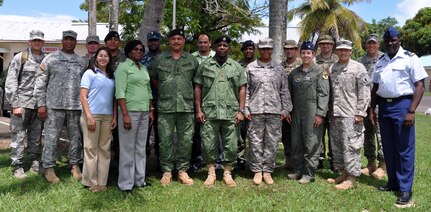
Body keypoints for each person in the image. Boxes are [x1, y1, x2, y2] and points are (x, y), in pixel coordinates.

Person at [370, 27, 427, 207]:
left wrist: (411, 111)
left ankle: (405, 189)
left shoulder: (410, 58)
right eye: (387, 41)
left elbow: (420, 86)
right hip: (384, 107)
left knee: (404, 148)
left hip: (403, 106)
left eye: (393, 40)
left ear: (399, 40)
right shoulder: (381, 61)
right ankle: (393, 182)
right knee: (389, 148)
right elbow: (375, 87)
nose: (390, 43)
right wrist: (372, 109)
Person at [194, 36, 247, 187]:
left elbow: (242, 88)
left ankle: (227, 172)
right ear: (215, 47)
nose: (222, 47)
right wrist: (198, 110)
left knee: (231, 143)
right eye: (220, 45)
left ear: (228, 47)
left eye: (225, 45)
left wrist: (241, 110)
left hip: (231, 112)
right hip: (209, 111)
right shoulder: (205, 65)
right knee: (208, 142)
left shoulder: (236, 66)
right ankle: (211, 172)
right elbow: (198, 87)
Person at [34, 30, 86, 183]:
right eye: (67, 39)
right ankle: (49, 168)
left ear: (76, 42)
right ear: (62, 41)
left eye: (72, 40)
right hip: (54, 106)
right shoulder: (50, 59)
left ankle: (74, 165)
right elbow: (41, 83)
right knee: (51, 138)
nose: (69, 42)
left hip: (75, 106)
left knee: (75, 138)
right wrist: (41, 104)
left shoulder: (80, 61)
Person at [150, 29, 198, 186]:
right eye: (173, 39)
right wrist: (165, 91)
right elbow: (154, 80)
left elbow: (196, 83)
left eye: (179, 38)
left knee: (186, 140)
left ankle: (183, 170)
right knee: (165, 140)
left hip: (186, 106)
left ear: (184, 41)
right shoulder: (160, 59)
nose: (176, 41)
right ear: (168, 41)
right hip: (166, 107)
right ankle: (167, 171)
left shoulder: (192, 60)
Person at [245, 38, 292, 185]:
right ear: (259, 50)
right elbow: (245, 90)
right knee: (255, 141)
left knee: (272, 142)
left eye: (269, 49)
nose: (266, 51)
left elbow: (284, 90)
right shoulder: (250, 68)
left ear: (272, 50)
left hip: (274, 111)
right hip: (255, 110)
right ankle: (257, 171)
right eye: (263, 48)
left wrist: (286, 109)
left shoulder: (279, 68)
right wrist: (245, 108)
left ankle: (268, 171)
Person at [326, 39, 370, 190]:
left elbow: (365, 91)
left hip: (351, 115)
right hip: (336, 114)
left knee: (351, 145)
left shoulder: (359, 68)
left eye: (346, 50)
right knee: (338, 145)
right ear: (336, 51)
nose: (343, 52)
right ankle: (344, 173)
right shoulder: (333, 68)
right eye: (340, 50)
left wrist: (360, 112)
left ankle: (352, 179)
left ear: (351, 51)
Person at [287, 41, 329, 184]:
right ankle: (298, 170)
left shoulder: (320, 72)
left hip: (312, 110)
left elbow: (324, 94)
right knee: (296, 142)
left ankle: (309, 173)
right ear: (300, 53)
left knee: (311, 142)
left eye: (308, 53)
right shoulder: (294, 73)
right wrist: (288, 111)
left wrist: (320, 113)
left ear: (313, 54)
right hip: (296, 111)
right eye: (303, 52)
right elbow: (289, 94)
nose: (306, 55)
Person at [5, 30, 45, 179]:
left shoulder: (45, 60)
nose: (37, 43)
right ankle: (18, 166)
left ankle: (35, 163)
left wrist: (43, 104)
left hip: (38, 105)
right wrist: (15, 104)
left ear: (43, 42)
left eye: (39, 40)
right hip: (21, 104)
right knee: (19, 137)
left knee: (36, 136)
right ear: (29, 42)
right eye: (34, 40)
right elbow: (11, 81)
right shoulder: (20, 58)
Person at [116, 40, 154, 192]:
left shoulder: (143, 68)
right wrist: (125, 115)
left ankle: (139, 180)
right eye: (135, 49)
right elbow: (120, 92)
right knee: (127, 148)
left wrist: (151, 109)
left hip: (144, 111)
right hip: (129, 112)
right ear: (129, 52)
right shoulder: (123, 68)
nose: (139, 51)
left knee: (140, 148)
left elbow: (149, 90)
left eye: (141, 49)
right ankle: (125, 184)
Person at [80, 47, 117, 192]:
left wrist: (114, 116)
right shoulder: (89, 73)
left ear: (109, 59)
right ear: (96, 58)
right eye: (100, 56)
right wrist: (89, 116)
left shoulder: (111, 76)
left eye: (106, 56)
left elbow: (114, 99)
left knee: (104, 150)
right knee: (90, 149)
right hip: (92, 116)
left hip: (107, 117)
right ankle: (91, 182)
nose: (103, 58)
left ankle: (102, 182)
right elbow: (83, 96)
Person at [359, 33, 386, 180]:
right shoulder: (360, 61)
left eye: (374, 43)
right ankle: (370, 164)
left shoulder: (385, 59)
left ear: (378, 44)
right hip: (364, 103)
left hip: (379, 102)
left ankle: (383, 166)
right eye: (369, 43)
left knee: (380, 133)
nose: (371, 45)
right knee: (367, 134)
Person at [315, 34, 338, 170]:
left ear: (332, 46)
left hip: (335, 101)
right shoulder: (314, 60)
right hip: (319, 101)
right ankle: (319, 158)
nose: (325, 46)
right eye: (323, 43)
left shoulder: (337, 60)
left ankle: (334, 159)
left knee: (333, 132)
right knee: (318, 131)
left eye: (328, 44)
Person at [140, 31, 162, 172]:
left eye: (156, 40)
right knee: (144, 135)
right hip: (145, 102)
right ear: (147, 42)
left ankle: (161, 163)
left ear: (159, 42)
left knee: (161, 134)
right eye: (151, 40)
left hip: (162, 101)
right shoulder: (142, 59)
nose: (153, 43)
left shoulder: (166, 58)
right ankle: (144, 165)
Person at [280, 39, 302, 169]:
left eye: (292, 48)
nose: (289, 51)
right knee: (286, 133)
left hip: (299, 105)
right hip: (285, 106)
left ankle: (299, 161)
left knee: (299, 134)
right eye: (287, 49)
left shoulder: (301, 64)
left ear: (296, 50)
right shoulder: (279, 66)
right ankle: (288, 160)